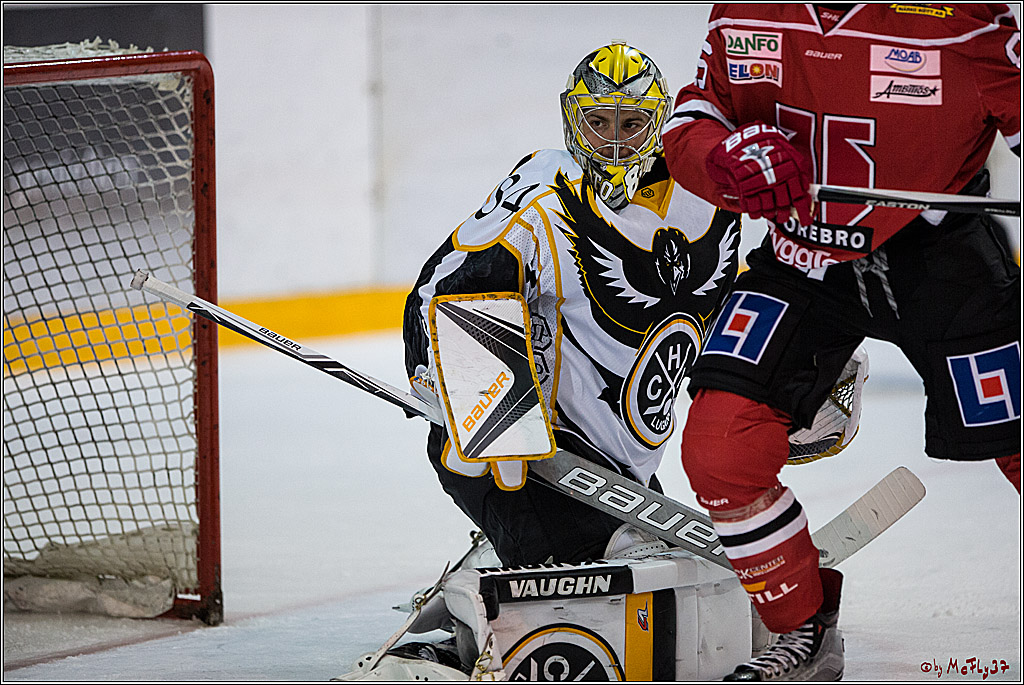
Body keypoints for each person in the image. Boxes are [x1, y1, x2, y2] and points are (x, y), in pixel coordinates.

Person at [662, 4, 1021, 681]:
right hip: (803, 259)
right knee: (720, 448)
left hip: (941, 258)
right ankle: (801, 627)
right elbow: (696, 115)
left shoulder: (963, 19)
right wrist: (724, 155)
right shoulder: (744, 11)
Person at [402, 41, 743, 569]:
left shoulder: (705, 200)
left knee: (650, 564)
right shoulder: (547, 190)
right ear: (571, 119)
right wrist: (468, 395)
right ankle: (513, 561)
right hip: (531, 457)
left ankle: (495, 565)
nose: (613, 142)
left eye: (631, 125)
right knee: (614, 567)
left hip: (623, 471)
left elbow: (711, 316)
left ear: (659, 126)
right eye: (598, 123)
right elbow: (443, 286)